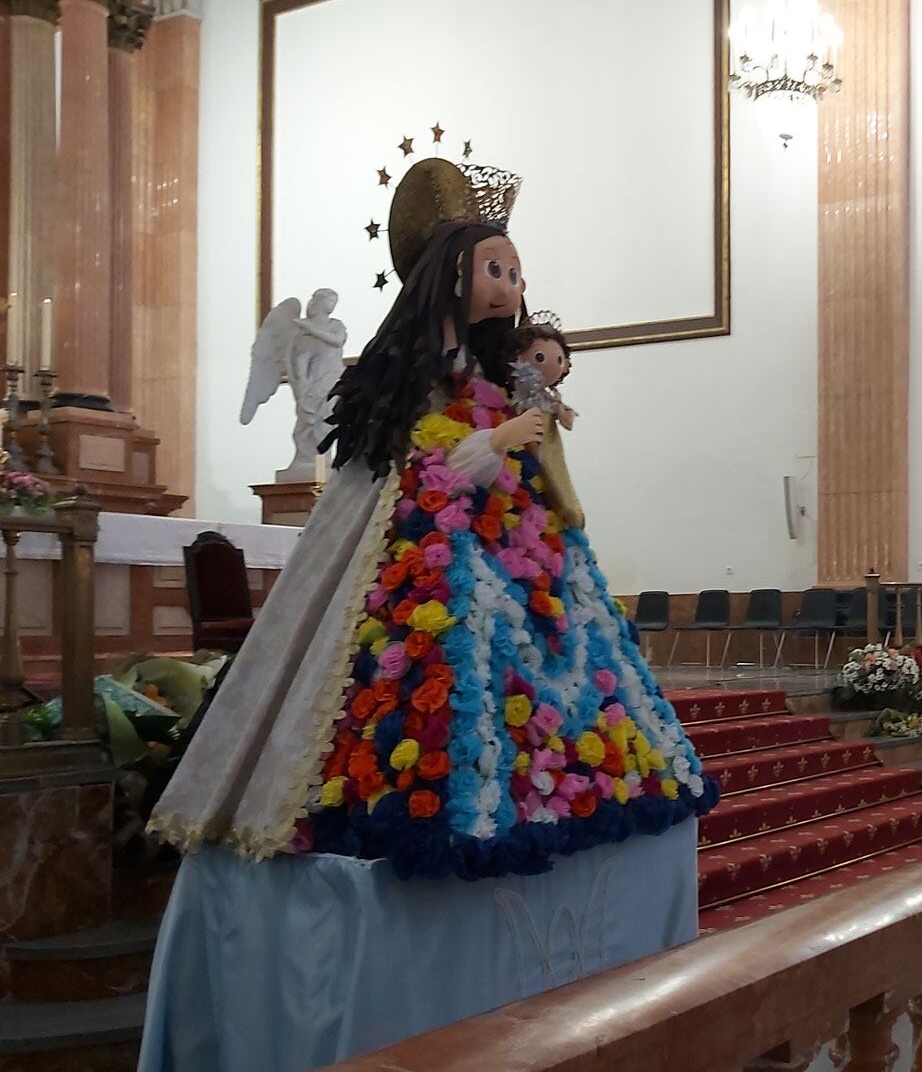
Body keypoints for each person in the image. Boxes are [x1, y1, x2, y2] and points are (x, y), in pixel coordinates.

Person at [149, 206, 718, 879]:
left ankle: (551, 787)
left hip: (512, 534)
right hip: (424, 537)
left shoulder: (490, 370)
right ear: (452, 273)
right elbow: (423, 460)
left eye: (515, 274)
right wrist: (496, 440)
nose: (509, 286)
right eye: (495, 270)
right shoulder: (413, 369)